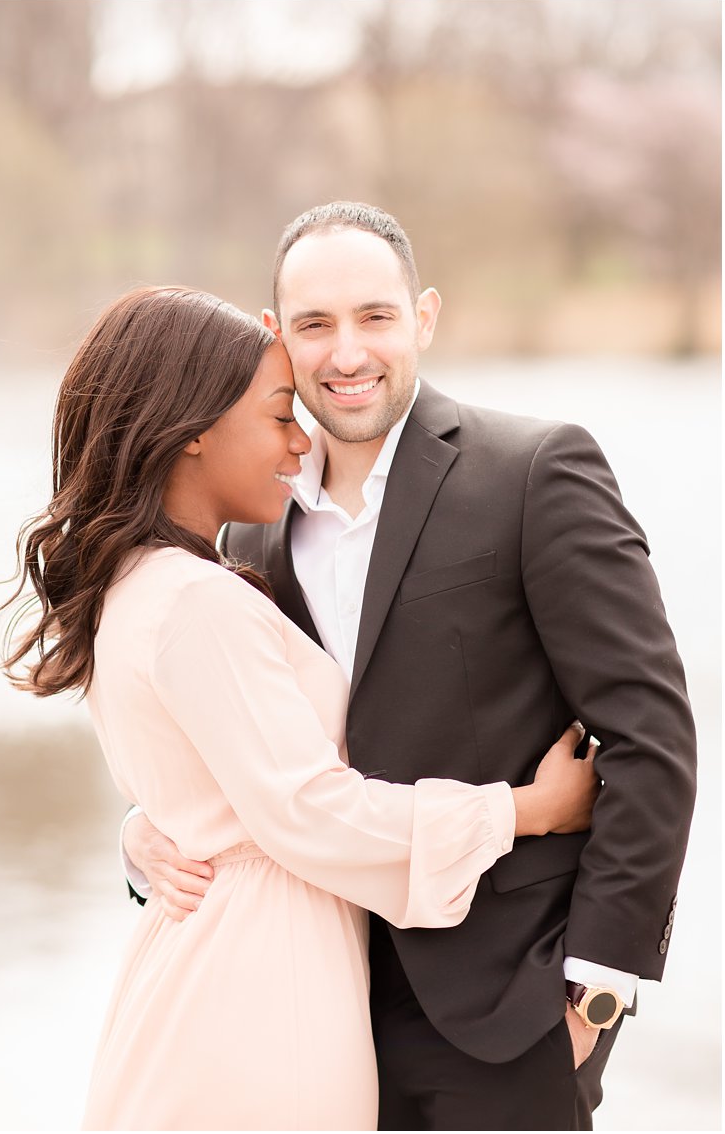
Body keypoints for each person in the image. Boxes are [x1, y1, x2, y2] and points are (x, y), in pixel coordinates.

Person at [124, 203, 697, 1129]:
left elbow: (652, 735)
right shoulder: (250, 525)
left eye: (375, 316)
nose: (346, 352)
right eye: (315, 324)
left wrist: (596, 987)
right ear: (278, 335)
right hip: (313, 997)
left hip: (510, 1006)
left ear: (422, 317)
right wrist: (145, 828)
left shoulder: (535, 470)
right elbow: (244, 734)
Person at [1, 285, 599, 1130]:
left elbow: (208, 774)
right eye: (279, 413)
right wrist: (527, 810)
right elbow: (308, 809)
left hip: (216, 957)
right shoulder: (196, 600)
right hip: (258, 986)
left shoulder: (135, 583)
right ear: (195, 430)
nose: (299, 439)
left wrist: (145, 826)